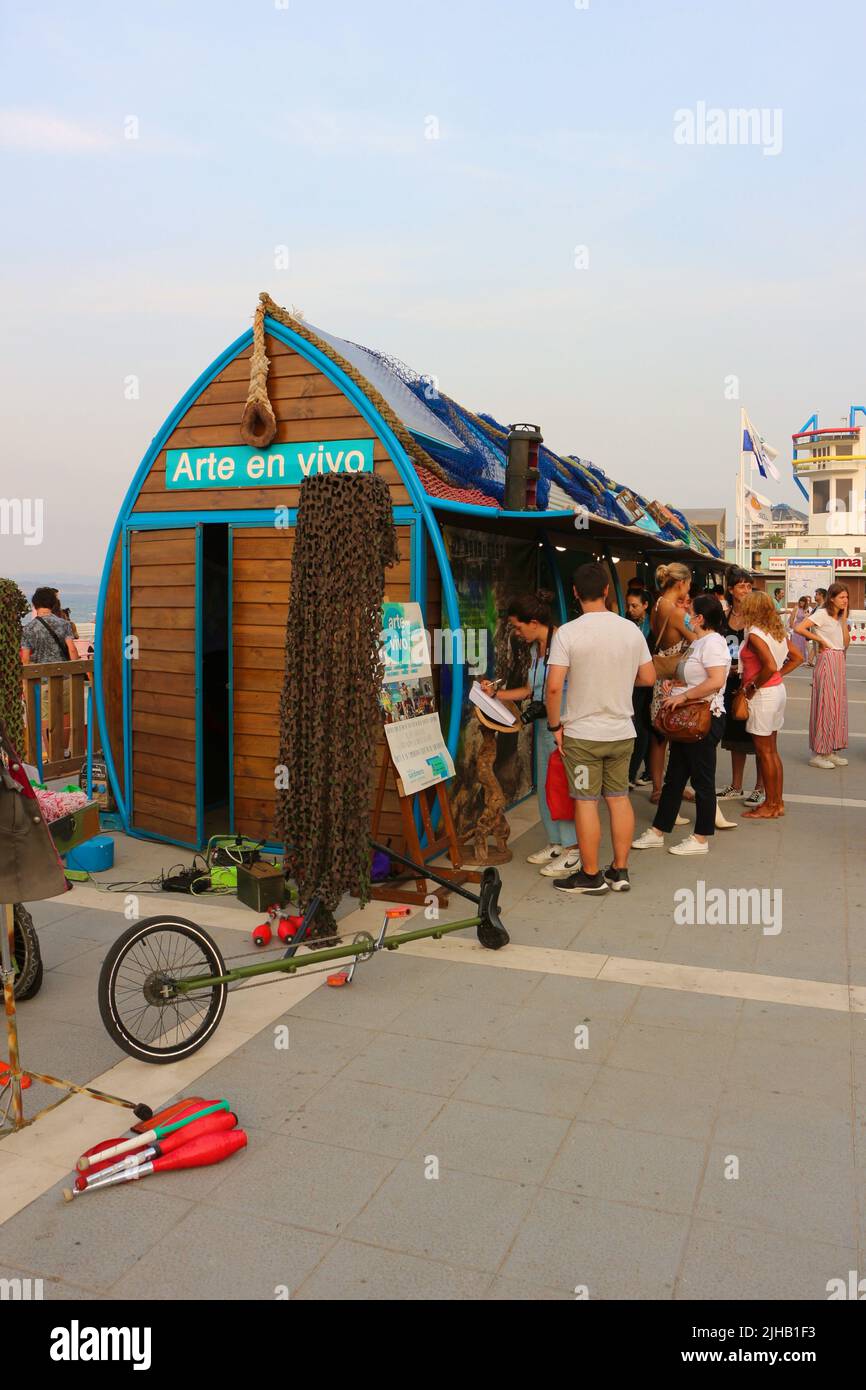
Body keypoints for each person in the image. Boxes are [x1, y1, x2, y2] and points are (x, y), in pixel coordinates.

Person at [545, 563, 655, 894]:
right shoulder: (631, 630)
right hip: (622, 733)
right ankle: (619, 871)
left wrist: (555, 726)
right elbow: (649, 678)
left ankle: (590, 875)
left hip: (582, 738)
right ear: (608, 591)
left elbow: (553, 687)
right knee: (619, 799)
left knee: (586, 801)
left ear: (575, 593)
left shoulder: (567, 632)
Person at [480, 591, 580, 877]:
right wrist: (496, 694)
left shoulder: (564, 642)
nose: (517, 632)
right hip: (543, 727)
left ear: (534, 622)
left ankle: (572, 846)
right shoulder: (537, 649)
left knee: (562, 787)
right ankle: (557, 842)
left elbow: (558, 689)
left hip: (563, 727)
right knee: (547, 785)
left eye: (519, 626)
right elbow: (529, 689)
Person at [632, 594, 731, 856]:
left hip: (704, 717)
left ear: (700, 618)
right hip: (688, 718)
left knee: (703, 780)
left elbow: (716, 680)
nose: (686, 612)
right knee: (675, 778)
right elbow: (694, 676)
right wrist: (675, 685)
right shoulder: (699, 643)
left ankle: (701, 837)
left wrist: (684, 695)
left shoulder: (713, 643)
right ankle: (658, 830)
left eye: (690, 610)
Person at [738, 590, 803, 818]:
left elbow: (768, 666)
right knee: (772, 751)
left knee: (764, 752)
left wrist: (752, 687)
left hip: (764, 694)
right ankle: (777, 802)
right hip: (776, 691)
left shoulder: (755, 634)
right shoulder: (776, 631)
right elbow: (797, 657)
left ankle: (770, 805)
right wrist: (778, 675)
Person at [716, 566, 764, 807]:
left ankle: (759, 788)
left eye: (749, 585)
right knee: (735, 735)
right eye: (742, 585)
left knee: (758, 736)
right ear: (731, 589)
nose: (746, 590)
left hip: (753, 683)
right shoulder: (724, 616)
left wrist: (745, 669)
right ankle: (736, 785)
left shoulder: (757, 617)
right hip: (729, 682)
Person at [647, 562, 693, 804]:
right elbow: (697, 638)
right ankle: (672, 787)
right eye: (689, 583)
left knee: (659, 736)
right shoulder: (675, 612)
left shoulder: (657, 604)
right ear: (681, 583)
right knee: (675, 734)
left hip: (660, 677)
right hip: (674, 680)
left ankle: (657, 787)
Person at [795, 582, 850, 769]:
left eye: (847, 597)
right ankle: (818, 753)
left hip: (839, 659)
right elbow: (799, 628)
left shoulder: (838, 617)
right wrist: (818, 639)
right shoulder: (822, 613)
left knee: (837, 705)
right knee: (825, 705)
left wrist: (843, 619)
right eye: (842, 597)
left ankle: (830, 750)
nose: (845, 601)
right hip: (827, 660)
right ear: (832, 598)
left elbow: (846, 642)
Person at [626, 589, 652, 787]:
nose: (630, 609)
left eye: (634, 605)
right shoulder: (626, 624)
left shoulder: (653, 625)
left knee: (642, 726)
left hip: (647, 680)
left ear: (645, 605)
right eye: (628, 605)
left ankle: (634, 773)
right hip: (630, 679)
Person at [20, 587, 78, 664]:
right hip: (63, 672)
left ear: (34, 604)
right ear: (54, 603)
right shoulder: (64, 624)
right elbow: (72, 650)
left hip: (39, 673)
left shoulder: (28, 628)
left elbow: (25, 658)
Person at [789, 596, 810, 663]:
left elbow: (807, 618)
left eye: (803, 601)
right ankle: (794, 658)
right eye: (801, 601)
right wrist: (792, 628)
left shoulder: (806, 609)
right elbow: (791, 618)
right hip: (796, 627)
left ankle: (801, 658)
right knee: (795, 643)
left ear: (805, 603)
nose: (801, 602)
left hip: (802, 628)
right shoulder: (796, 608)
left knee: (802, 643)